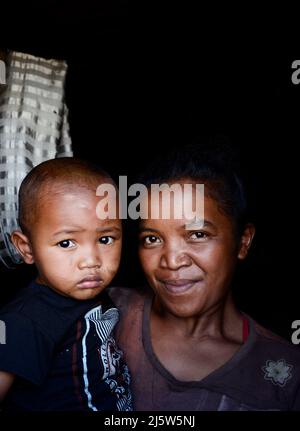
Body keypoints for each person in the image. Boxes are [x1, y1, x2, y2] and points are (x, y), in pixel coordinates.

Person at [109, 141, 300, 411]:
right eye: (152, 238)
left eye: (198, 235)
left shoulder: (287, 375)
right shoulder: (104, 316)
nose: (172, 261)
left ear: (243, 242)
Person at [0, 158, 133, 411]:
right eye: (66, 243)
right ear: (26, 249)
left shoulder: (99, 296)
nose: (91, 261)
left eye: (105, 239)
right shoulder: (24, 321)